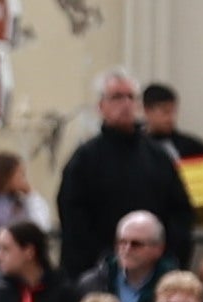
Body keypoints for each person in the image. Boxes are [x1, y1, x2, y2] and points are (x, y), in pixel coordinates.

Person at [56, 71, 195, 276]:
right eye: (117, 97)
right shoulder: (85, 158)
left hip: (154, 269)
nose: (126, 104)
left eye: (131, 97)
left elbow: (180, 212)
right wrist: (105, 260)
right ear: (101, 106)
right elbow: (73, 218)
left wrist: (167, 257)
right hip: (100, 270)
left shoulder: (158, 157)